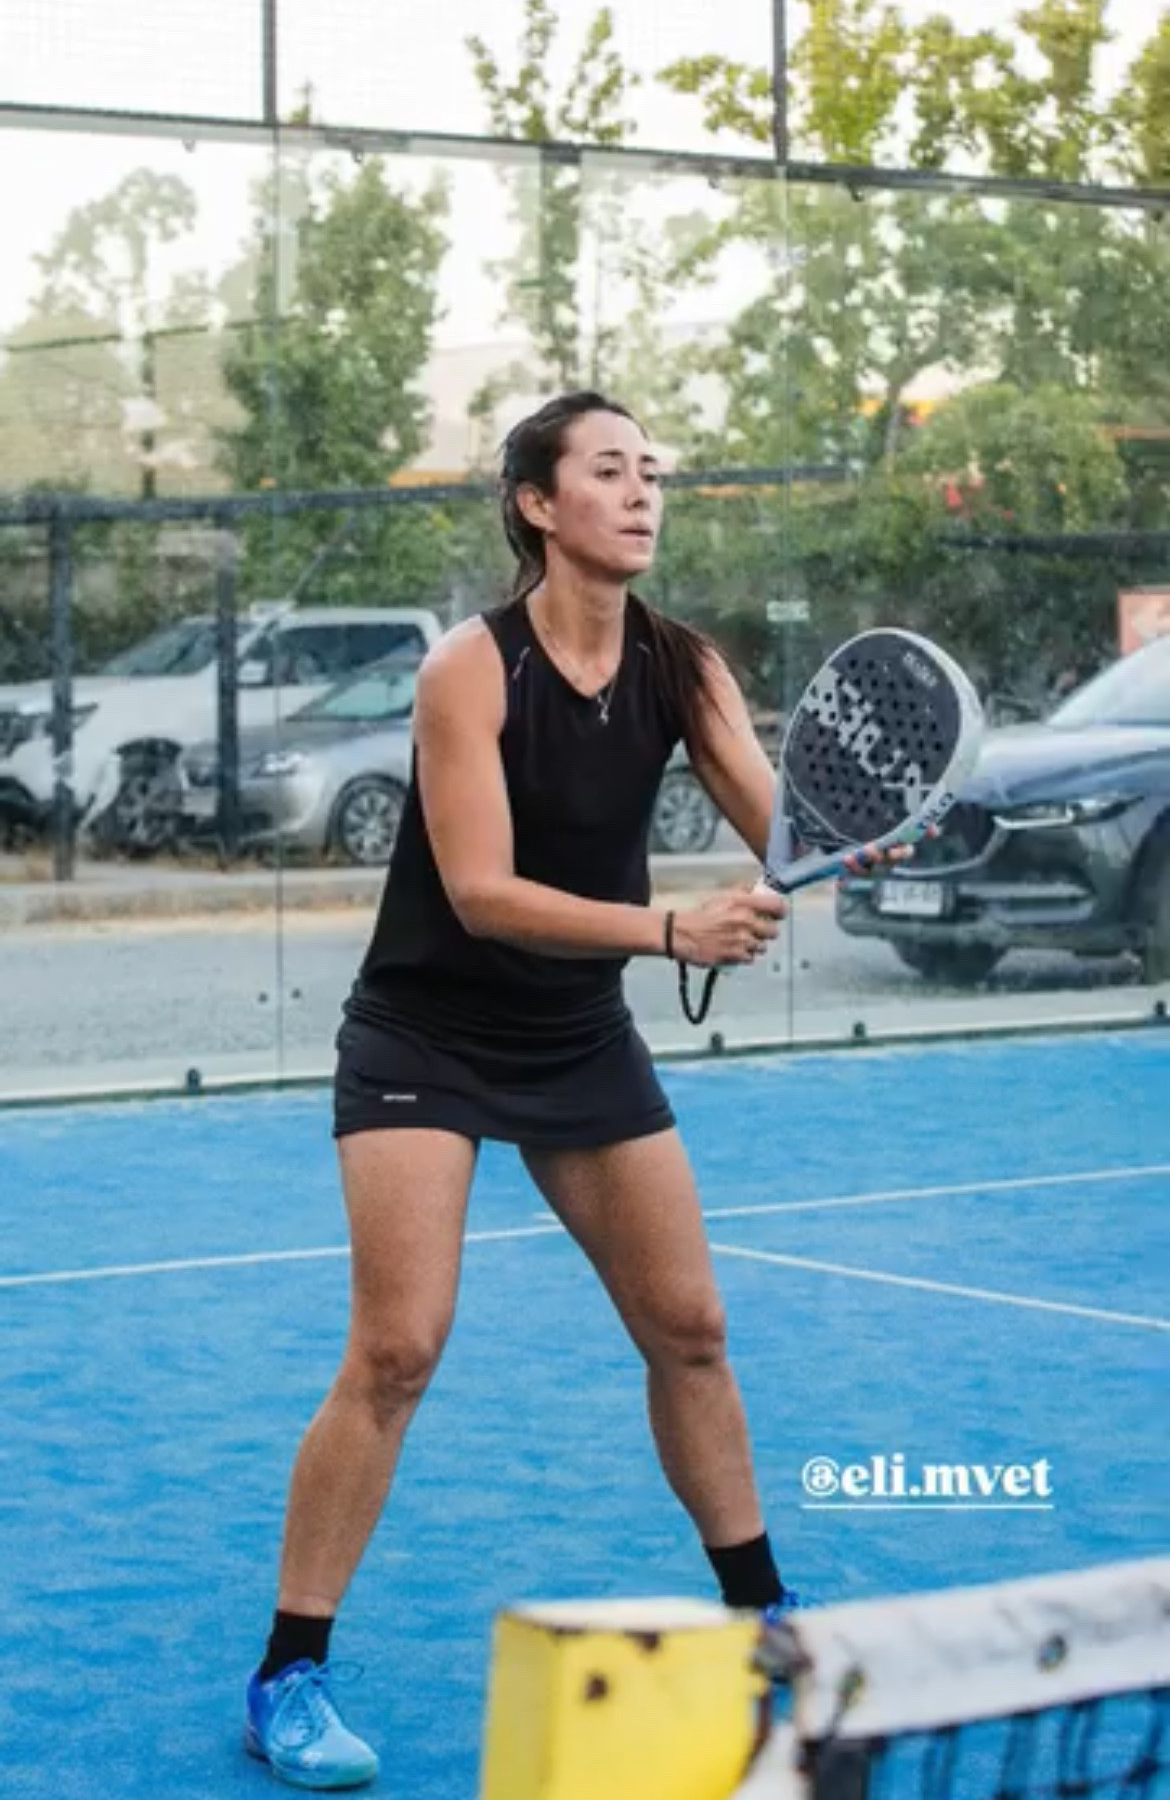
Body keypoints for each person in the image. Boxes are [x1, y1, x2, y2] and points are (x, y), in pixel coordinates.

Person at [244, 391, 899, 1789]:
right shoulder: (467, 670)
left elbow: (782, 831)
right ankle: (287, 1672)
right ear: (538, 505)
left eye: (651, 470)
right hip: (424, 1035)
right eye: (609, 470)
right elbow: (481, 892)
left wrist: (861, 837)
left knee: (691, 1328)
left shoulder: (682, 664)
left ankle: (765, 1627)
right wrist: (670, 929)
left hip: (575, 1037)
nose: (642, 491)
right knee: (397, 1349)